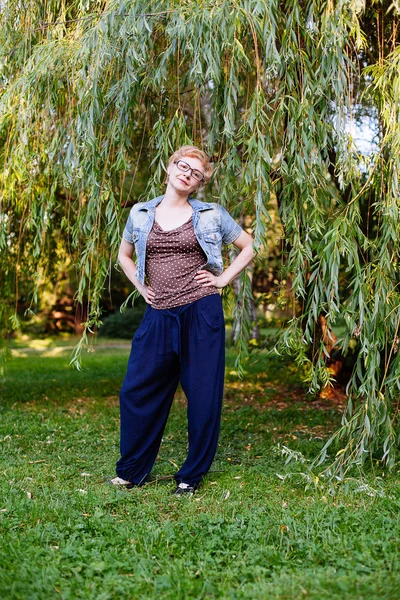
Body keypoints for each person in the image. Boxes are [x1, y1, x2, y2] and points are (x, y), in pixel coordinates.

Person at [110, 145, 254, 495]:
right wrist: (141, 287)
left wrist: (222, 280)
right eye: (182, 165)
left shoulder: (211, 214)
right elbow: (124, 255)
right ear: (170, 167)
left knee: (203, 394)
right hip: (158, 313)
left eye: (195, 173)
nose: (186, 173)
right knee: (136, 390)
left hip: (200, 311)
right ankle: (131, 471)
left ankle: (191, 475)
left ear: (199, 183)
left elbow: (249, 246)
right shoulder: (141, 213)